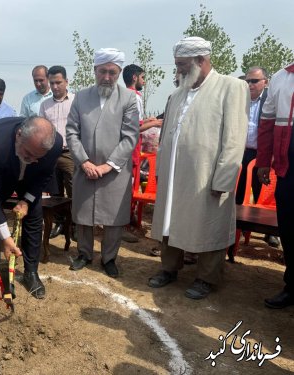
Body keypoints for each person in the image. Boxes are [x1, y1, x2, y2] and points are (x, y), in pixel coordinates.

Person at [148, 37, 249, 299]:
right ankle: (169, 269)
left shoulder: (231, 87)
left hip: (207, 174)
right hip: (173, 173)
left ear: (201, 61)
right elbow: (165, 136)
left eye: (182, 65)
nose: (178, 70)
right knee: (169, 220)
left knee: (208, 223)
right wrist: (161, 169)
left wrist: (223, 179)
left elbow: (235, 137)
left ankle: (207, 278)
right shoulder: (177, 93)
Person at [0, 116, 62, 300]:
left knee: (35, 216)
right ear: (19, 134)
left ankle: (31, 272)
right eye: (28, 153)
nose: (32, 159)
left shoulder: (54, 144)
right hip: (0, 176)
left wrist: (26, 201)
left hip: (29, 179)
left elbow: (44, 175)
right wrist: (5, 237)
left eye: (38, 157)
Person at [67, 48, 139, 278]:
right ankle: (84, 254)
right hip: (85, 167)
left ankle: (109, 258)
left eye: (112, 72)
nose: (107, 77)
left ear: (118, 72)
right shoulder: (81, 96)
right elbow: (72, 132)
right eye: (102, 71)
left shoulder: (128, 98)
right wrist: (85, 162)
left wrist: (108, 165)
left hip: (115, 170)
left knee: (114, 216)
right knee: (83, 212)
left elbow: (130, 137)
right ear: (95, 70)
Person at [256, 62, 294, 309]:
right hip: (287, 169)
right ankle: (291, 286)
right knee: (289, 229)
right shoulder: (281, 77)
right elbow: (267, 125)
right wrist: (262, 162)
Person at [235, 67, 279, 248]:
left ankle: (268, 233)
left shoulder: (271, 101)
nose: (250, 84)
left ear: (265, 82)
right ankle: (237, 227)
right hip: (239, 152)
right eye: (247, 81)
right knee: (237, 191)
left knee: (261, 192)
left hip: (260, 154)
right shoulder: (239, 99)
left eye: (254, 81)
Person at [122, 64, 163, 246]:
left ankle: (126, 222)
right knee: (128, 187)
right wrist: (157, 125)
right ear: (134, 78)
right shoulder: (133, 96)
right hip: (131, 146)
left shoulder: (126, 95)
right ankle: (123, 226)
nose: (144, 81)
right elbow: (135, 127)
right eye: (143, 77)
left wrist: (151, 120)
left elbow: (138, 122)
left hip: (131, 146)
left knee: (130, 184)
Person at [39, 65, 75, 239]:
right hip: (52, 154)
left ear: (66, 82)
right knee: (55, 192)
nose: (55, 87)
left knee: (74, 189)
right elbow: (42, 130)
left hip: (70, 154)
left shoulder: (76, 101)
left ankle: (74, 225)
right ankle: (60, 222)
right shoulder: (45, 105)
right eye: (52, 83)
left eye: (58, 82)